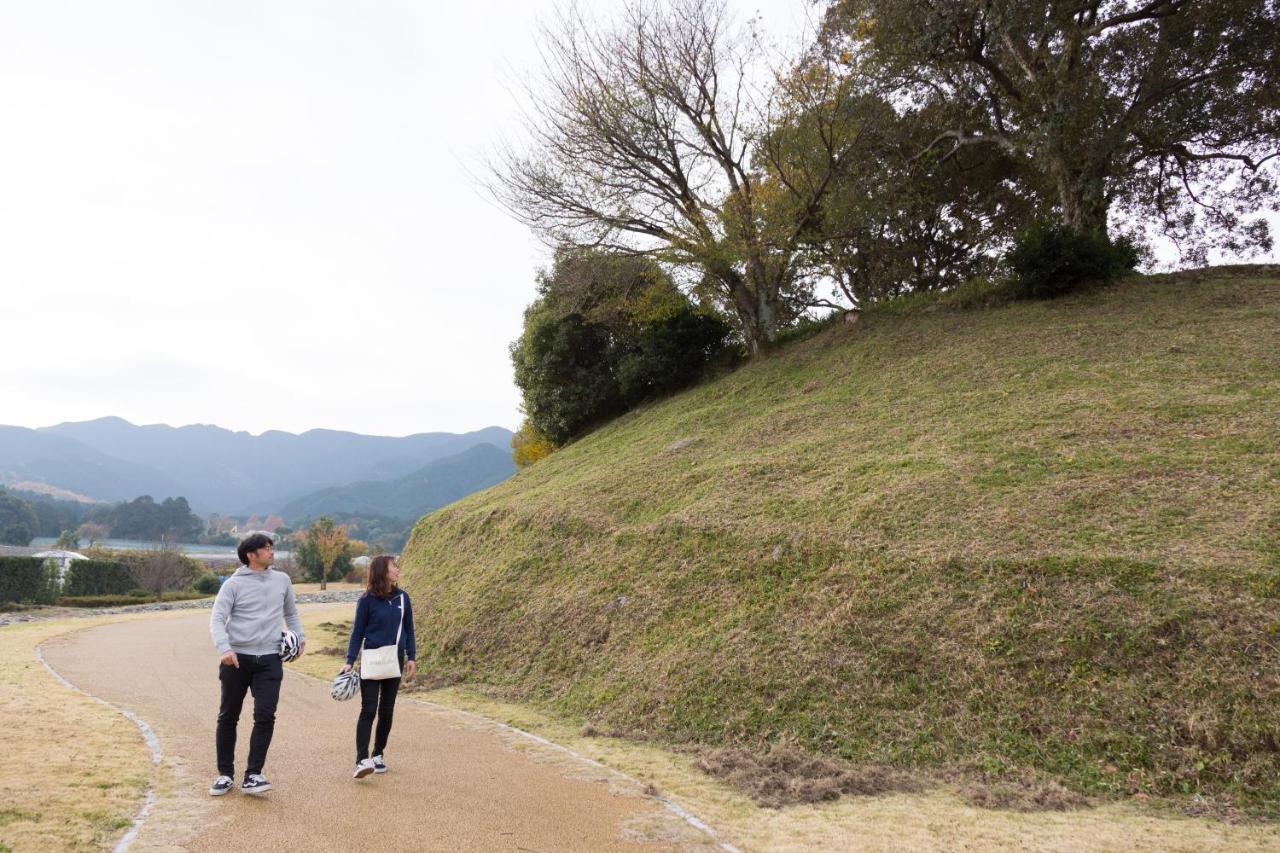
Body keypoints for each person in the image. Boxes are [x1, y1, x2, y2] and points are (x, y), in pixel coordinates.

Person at [207, 532, 305, 796]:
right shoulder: (232, 585)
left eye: (272, 546)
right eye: (266, 548)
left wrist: (301, 637)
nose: (272, 551)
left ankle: (253, 775)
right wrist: (224, 648)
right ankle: (225, 774)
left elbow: (291, 613)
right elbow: (217, 619)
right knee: (228, 716)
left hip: (270, 660)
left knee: (265, 715)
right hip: (236, 659)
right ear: (251, 555)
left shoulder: (282, 580)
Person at [342, 554, 416, 779]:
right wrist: (349, 660)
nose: (397, 570)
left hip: (395, 659)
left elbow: (409, 629)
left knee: (387, 711)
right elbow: (357, 633)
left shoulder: (403, 598)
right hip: (372, 660)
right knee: (369, 709)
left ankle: (378, 754)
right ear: (382, 571)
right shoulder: (366, 600)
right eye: (394, 566)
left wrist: (411, 656)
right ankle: (361, 759)